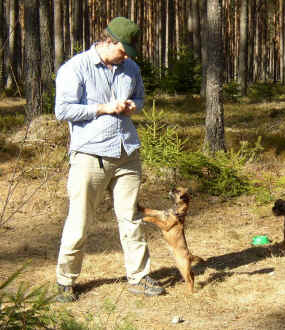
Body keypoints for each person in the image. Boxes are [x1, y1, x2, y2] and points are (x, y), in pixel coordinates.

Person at [54, 17, 164, 302]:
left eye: (129, 53)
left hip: (127, 152)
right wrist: (102, 108)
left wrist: (131, 107)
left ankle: (139, 278)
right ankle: (65, 281)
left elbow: (139, 98)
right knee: (80, 220)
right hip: (90, 155)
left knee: (132, 219)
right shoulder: (75, 68)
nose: (126, 57)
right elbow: (63, 110)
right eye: (123, 50)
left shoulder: (131, 68)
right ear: (107, 41)